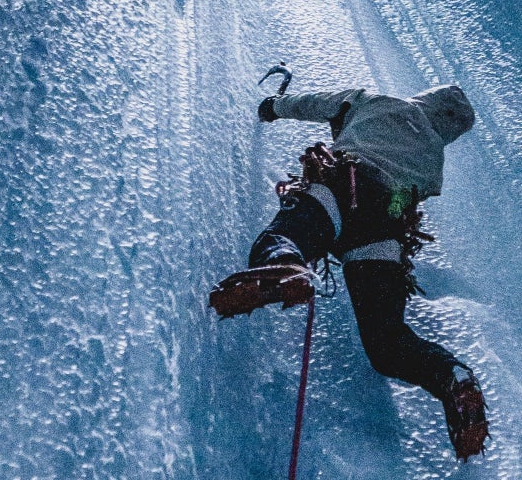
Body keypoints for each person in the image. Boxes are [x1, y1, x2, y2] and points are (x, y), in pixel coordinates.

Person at [209, 83, 489, 459]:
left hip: (343, 184)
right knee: (387, 342)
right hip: (384, 230)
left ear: (427, 97)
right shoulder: (434, 158)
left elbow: (316, 103)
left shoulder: (375, 101)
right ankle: (452, 377)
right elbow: (404, 199)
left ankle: (285, 268)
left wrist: (273, 107)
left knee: (282, 238)